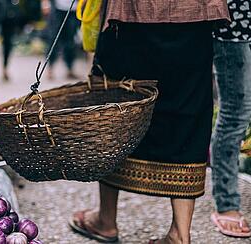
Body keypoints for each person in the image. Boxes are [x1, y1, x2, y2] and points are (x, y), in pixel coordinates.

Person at [68, 1, 229, 243]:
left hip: (132, 13)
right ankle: (180, 233)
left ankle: (106, 219)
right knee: (188, 107)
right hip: (194, 12)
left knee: (116, 104)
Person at [211, 0, 251, 238]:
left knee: (235, 115)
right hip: (233, 29)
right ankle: (227, 202)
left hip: (238, 26)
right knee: (234, 116)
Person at [45, 0, 79, 80]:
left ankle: (70, 69)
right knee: (53, 39)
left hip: (73, 9)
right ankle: (50, 68)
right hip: (58, 8)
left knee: (70, 41)